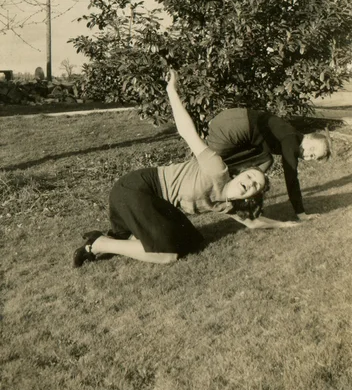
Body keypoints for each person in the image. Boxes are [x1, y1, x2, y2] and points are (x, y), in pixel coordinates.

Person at [73, 70, 298, 268]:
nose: (250, 184)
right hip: (137, 188)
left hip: (155, 202)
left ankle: (115, 241)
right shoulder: (216, 169)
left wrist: (285, 225)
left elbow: (254, 222)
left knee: (192, 242)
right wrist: (172, 90)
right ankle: (100, 243)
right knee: (167, 254)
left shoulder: (226, 204)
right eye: (250, 176)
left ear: (252, 196)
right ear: (239, 173)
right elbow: (188, 133)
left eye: (255, 187)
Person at [207, 107, 331, 222]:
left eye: (314, 157)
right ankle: (224, 199)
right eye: (313, 149)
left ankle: (246, 200)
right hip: (234, 126)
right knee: (210, 168)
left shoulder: (291, 134)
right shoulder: (291, 141)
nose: (309, 155)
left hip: (230, 117)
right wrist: (301, 213)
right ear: (308, 137)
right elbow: (291, 178)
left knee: (266, 160)